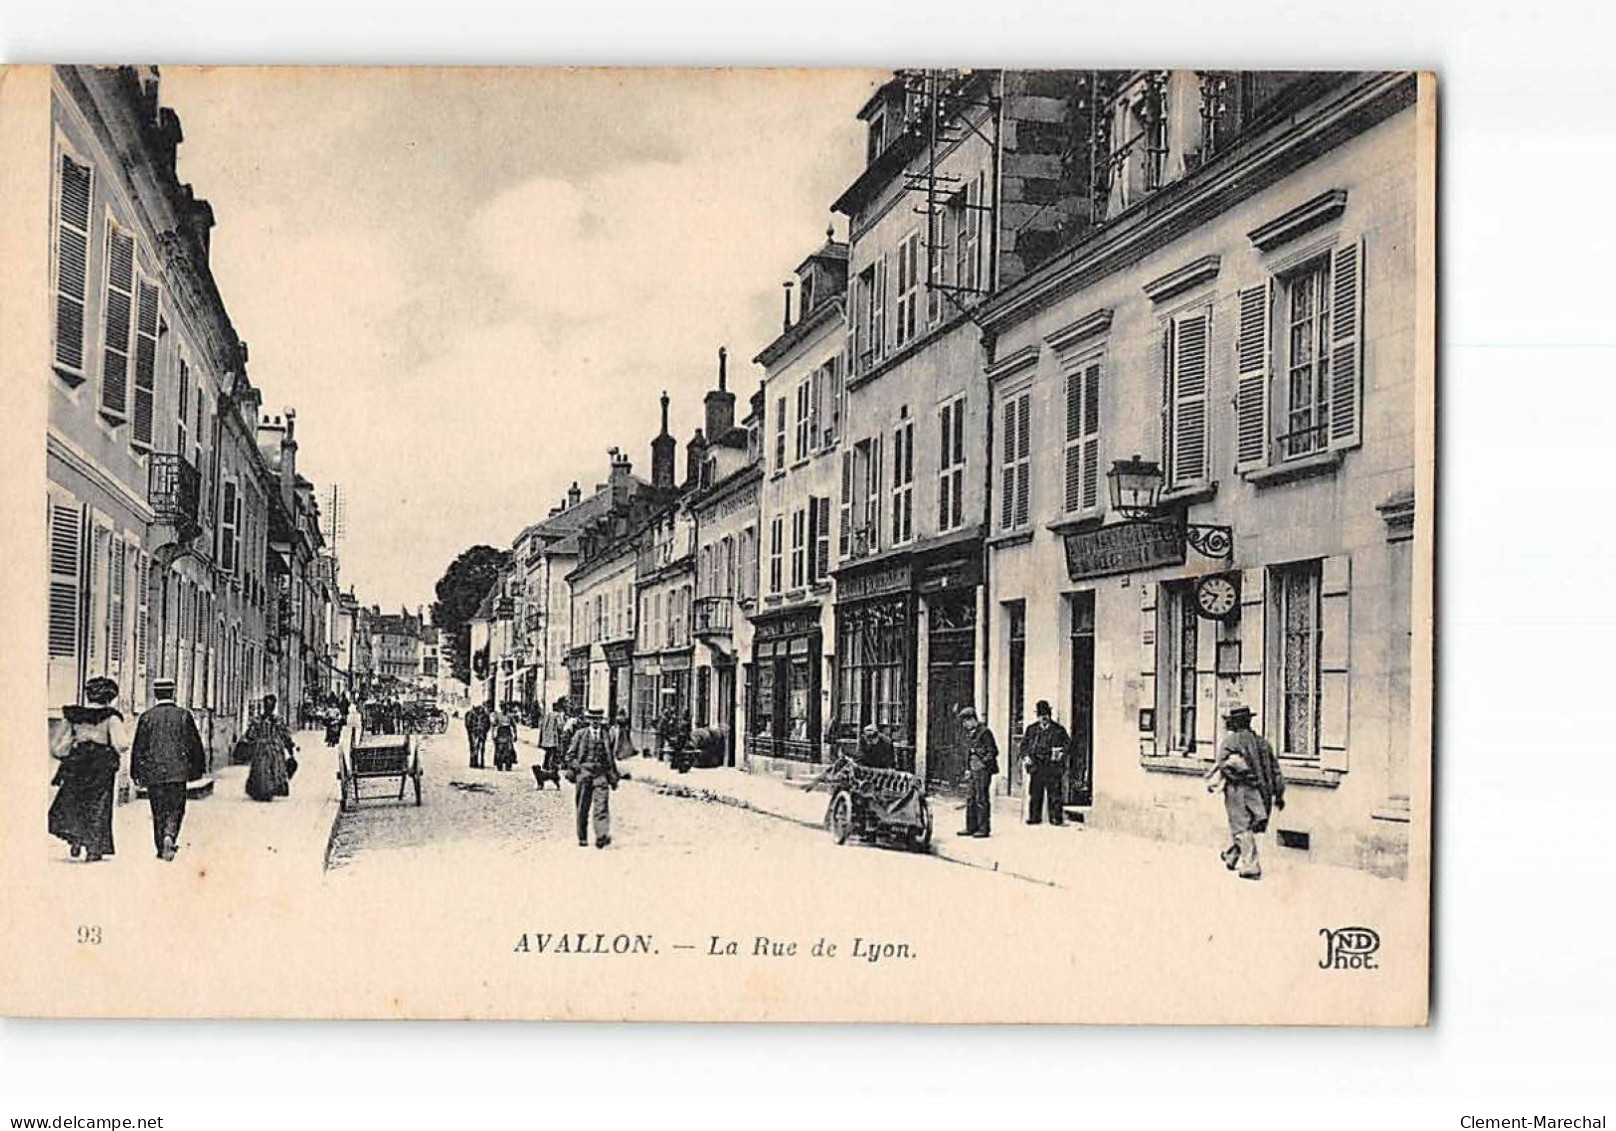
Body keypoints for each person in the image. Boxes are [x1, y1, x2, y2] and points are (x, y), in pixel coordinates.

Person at [48, 676, 126, 862]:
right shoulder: (111, 717)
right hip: (101, 764)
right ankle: (93, 848)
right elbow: (121, 744)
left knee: (74, 800)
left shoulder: (75, 716)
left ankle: (75, 838)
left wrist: (67, 753)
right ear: (109, 697)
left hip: (78, 762)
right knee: (98, 805)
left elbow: (58, 745)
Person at [1205, 702, 1285, 880]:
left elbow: (1223, 766)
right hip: (1262, 791)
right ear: (1248, 722)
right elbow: (1275, 770)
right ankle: (1232, 856)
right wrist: (1279, 793)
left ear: (1234, 723)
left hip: (1238, 790)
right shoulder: (1263, 742)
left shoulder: (1230, 742)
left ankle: (1251, 866)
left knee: (1241, 827)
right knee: (1249, 825)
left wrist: (1233, 777)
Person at [130, 677, 207, 861]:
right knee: (176, 807)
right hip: (177, 772)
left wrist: (136, 772)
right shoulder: (183, 715)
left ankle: (160, 846)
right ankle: (170, 836)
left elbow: (138, 747)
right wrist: (197, 768)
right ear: (172, 693)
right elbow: (194, 744)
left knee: (158, 809)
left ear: (155, 694)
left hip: (154, 772)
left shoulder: (146, 717)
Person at [565, 708, 628, 848]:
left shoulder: (606, 736)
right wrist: (578, 767)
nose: (595, 722)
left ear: (601, 720)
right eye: (592, 719)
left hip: (600, 774)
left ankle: (601, 835)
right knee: (582, 807)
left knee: (601, 805)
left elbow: (610, 758)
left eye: (598, 719)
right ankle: (582, 837)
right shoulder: (580, 735)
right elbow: (569, 756)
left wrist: (613, 776)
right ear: (588, 720)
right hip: (584, 773)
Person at [1019, 700, 1072, 827]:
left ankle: (1056, 818)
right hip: (1036, 765)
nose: (1044, 718)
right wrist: (1026, 757)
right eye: (1041, 715)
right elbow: (1023, 746)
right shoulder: (1031, 729)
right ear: (1038, 716)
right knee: (1035, 793)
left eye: (1046, 715)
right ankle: (1034, 817)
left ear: (1050, 715)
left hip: (1052, 766)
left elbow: (1068, 745)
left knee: (1054, 793)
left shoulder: (1058, 730)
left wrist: (1061, 753)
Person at [955, 706, 999, 839]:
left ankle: (983, 828)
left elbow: (993, 751)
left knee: (981, 798)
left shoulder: (985, 732)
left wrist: (984, 764)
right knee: (970, 799)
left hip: (983, 770)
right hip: (973, 770)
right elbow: (968, 753)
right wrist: (968, 769)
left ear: (973, 719)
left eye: (966, 722)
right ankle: (971, 827)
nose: (964, 725)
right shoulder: (970, 734)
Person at [244, 695, 295, 802]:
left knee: (267, 769)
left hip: (265, 748)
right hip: (272, 748)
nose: (269, 707)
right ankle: (266, 791)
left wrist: (290, 747)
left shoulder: (261, 720)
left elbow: (250, 735)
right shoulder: (275, 720)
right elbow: (285, 736)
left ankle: (265, 791)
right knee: (269, 769)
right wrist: (290, 749)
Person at [533, 698, 570, 789]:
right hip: (554, 738)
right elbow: (560, 726)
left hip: (546, 738)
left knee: (548, 753)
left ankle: (545, 766)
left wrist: (541, 738)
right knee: (554, 753)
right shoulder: (558, 716)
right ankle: (551, 768)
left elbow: (542, 726)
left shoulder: (547, 715)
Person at [490, 704, 517, 772]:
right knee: (500, 750)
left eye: (506, 708)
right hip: (500, 733)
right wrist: (493, 734)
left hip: (508, 733)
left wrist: (515, 734)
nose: (504, 709)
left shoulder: (510, 716)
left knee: (509, 750)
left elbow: (514, 725)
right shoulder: (498, 716)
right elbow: (493, 725)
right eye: (503, 708)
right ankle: (499, 765)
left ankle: (508, 765)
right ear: (501, 708)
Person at [465, 702, 489, 769]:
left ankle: (481, 762)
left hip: (482, 732)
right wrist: (471, 731)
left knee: (482, 747)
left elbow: (488, 725)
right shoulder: (470, 714)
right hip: (473, 732)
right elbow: (468, 725)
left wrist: (484, 731)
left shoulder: (485, 715)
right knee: (473, 746)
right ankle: (473, 761)